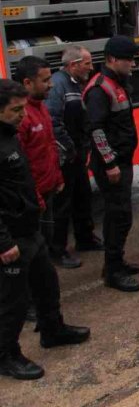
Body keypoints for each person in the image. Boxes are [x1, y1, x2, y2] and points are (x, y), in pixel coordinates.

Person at [0, 79, 90, 381]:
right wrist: (3, 243)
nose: (22, 115)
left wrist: (37, 201)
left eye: (23, 108)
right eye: (15, 110)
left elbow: (22, 178)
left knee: (47, 284)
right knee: (13, 302)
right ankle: (7, 356)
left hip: (29, 227)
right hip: (11, 237)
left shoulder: (10, 136)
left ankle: (52, 330)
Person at [84, 36, 139, 292]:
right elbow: (96, 130)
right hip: (113, 165)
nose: (132, 63)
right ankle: (113, 271)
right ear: (111, 59)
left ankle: (115, 263)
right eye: (127, 59)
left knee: (122, 216)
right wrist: (110, 163)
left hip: (122, 161)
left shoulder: (118, 82)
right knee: (117, 216)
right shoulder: (100, 88)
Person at [47, 46, 103, 269]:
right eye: (87, 63)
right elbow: (53, 122)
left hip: (77, 153)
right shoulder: (58, 86)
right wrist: (70, 149)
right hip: (67, 156)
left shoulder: (74, 84)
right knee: (62, 205)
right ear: (73, 65)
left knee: (82, 196)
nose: (91, 68)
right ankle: (57, 250)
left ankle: (85, 238)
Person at [12, 58, 65, 261]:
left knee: (45, 239)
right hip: (33, 199)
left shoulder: (40, 106)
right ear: (27, 83)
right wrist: (36, 197)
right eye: (45, 80)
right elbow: (21, 166)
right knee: (35, 248)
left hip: (46, 190)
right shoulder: (23, 117)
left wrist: (57, 176)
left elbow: (49, 145)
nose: (50, 84)